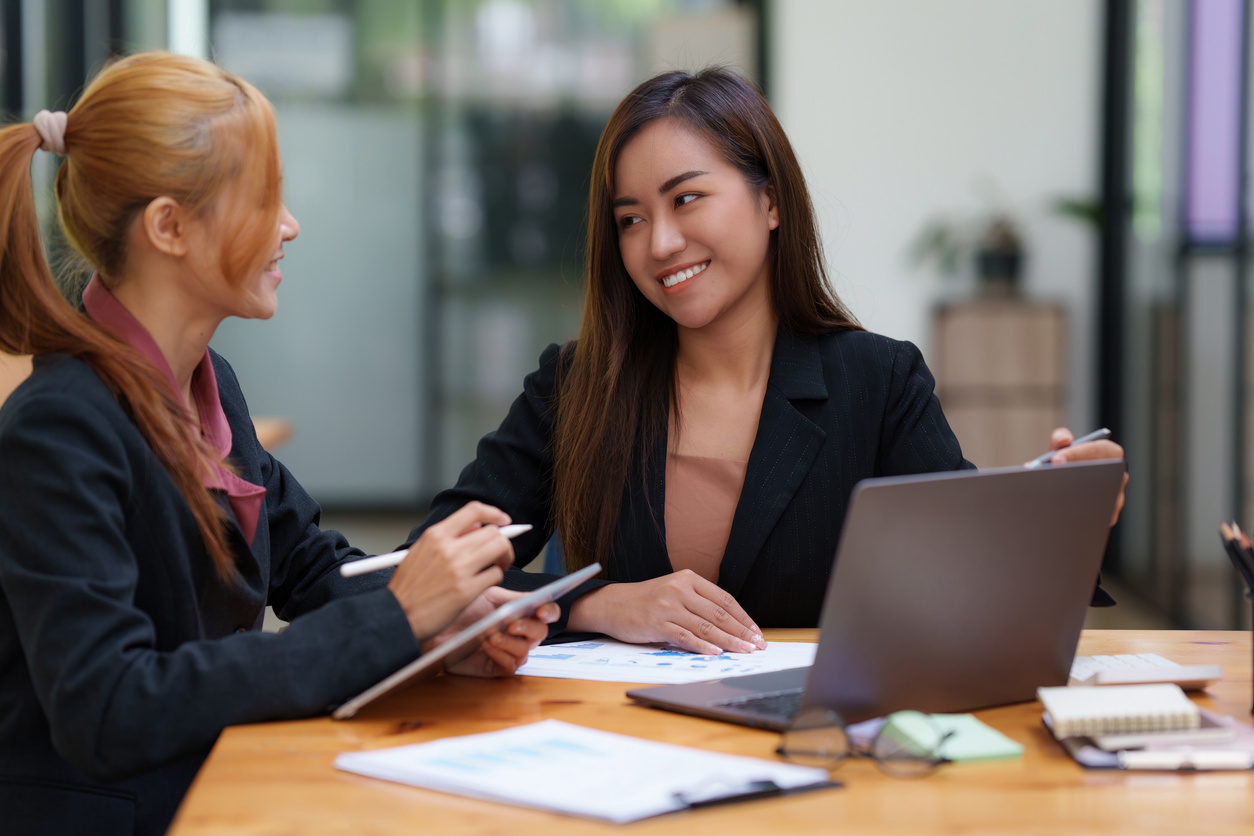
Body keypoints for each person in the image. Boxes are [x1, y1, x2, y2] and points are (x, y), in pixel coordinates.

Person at [0, 53, 555, 836]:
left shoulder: (208, 381)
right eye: (264, 199)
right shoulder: (60, 426)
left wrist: (445, 625)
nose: (289, 225)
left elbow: (312, 571)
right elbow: (109, 707)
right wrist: (398, 618)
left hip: (223, 788)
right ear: (168, 226)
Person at [407, 67, 1129, 656]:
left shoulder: (877, 383)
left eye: (687, 199)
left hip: (824, 750)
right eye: (631, 219)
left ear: (771, 201)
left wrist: (1068, 520)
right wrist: (597, 604)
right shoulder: (576, 385)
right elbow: (428, 568)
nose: (659, 244)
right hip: (618, 751)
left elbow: (973, 584)